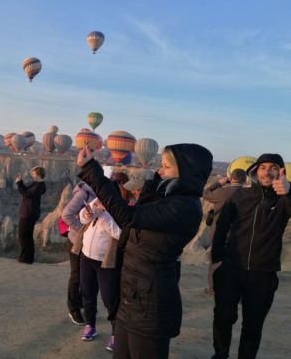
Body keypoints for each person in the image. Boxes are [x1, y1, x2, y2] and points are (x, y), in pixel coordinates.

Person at [77, 143, 212, 359]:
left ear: (185, 172)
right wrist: (154, 184)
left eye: (166, 167)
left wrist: (92, 171)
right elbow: (139, 211)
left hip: (150, 304)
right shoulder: (168, 199)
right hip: (131, 297)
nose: (160, 171)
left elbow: (128, 217)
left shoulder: (183, 207)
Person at [210, 154, 290, 359]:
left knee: (253, 326)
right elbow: (222, 226)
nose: (267, 171)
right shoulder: (240, 196)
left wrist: (290, 192)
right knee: (222, 317)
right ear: (255, 171)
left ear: (281, 172)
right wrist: (217, 260)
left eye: (274, 167)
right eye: (263, 167)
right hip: (230, 269)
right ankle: (220, 355)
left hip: (263, 274)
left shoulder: (284, 201)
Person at [78, 198, 121, 353]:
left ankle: (117, 334)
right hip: (86, 257)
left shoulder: (118, 207)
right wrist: (89, 213)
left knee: (110, 298)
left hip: (105, 262)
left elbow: (120, 233)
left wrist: (103, 214)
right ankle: (90, 325)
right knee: (87, 293)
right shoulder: (96, 201)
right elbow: (82, 218)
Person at [203, 168, 246, 294]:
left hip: (219, 232)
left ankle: (213, 289)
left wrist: (219, 183)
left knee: (216, 261)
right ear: (244, 180)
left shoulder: (222, 192)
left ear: (232, 179)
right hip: (240, 234)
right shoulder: (248, 194)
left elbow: (204, 193)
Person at [61, 181, 96, 325]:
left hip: (88, 241)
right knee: (76, 275)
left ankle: (81, 301)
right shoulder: (83, 194)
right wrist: (82, 229)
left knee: (86, 273)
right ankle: (73, 308)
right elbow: (66, 215)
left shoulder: (95, 194)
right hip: (77, 240)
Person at [15, 166, 47, 264]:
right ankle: (28, 258)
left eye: (33, 173)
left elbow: (26, 194)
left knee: (22, 235)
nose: (32, 175)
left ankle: (24, 257)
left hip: (28, 213)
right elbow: (27, 191)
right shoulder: (38, 184)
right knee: (27, 236)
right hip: (31, 212)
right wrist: (20, 182)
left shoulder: (38, 185)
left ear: (38, 174)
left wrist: (19, 183)